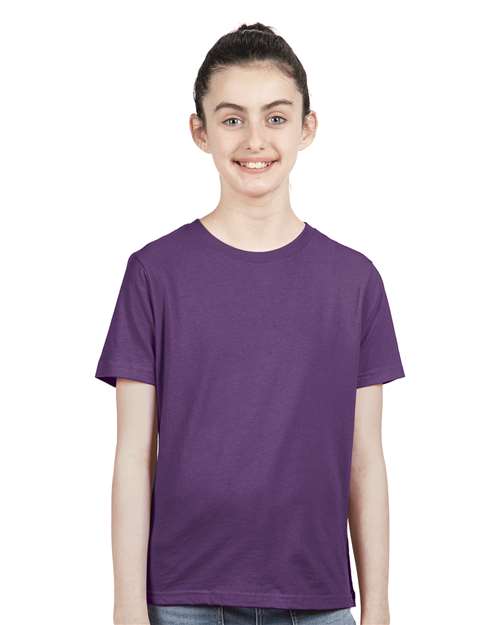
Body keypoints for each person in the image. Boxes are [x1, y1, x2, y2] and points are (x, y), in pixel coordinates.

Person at [95, 22, 405, 625]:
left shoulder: (354, 281)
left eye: (276, 117)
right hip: (182, 598)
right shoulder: (155, 273)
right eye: (232, 118)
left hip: (317, 600)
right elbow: (133, 455)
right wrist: (127, 607)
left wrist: (379, 607)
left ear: (307, 128)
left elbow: (365, 459)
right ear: (201, 131)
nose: (255, 139)